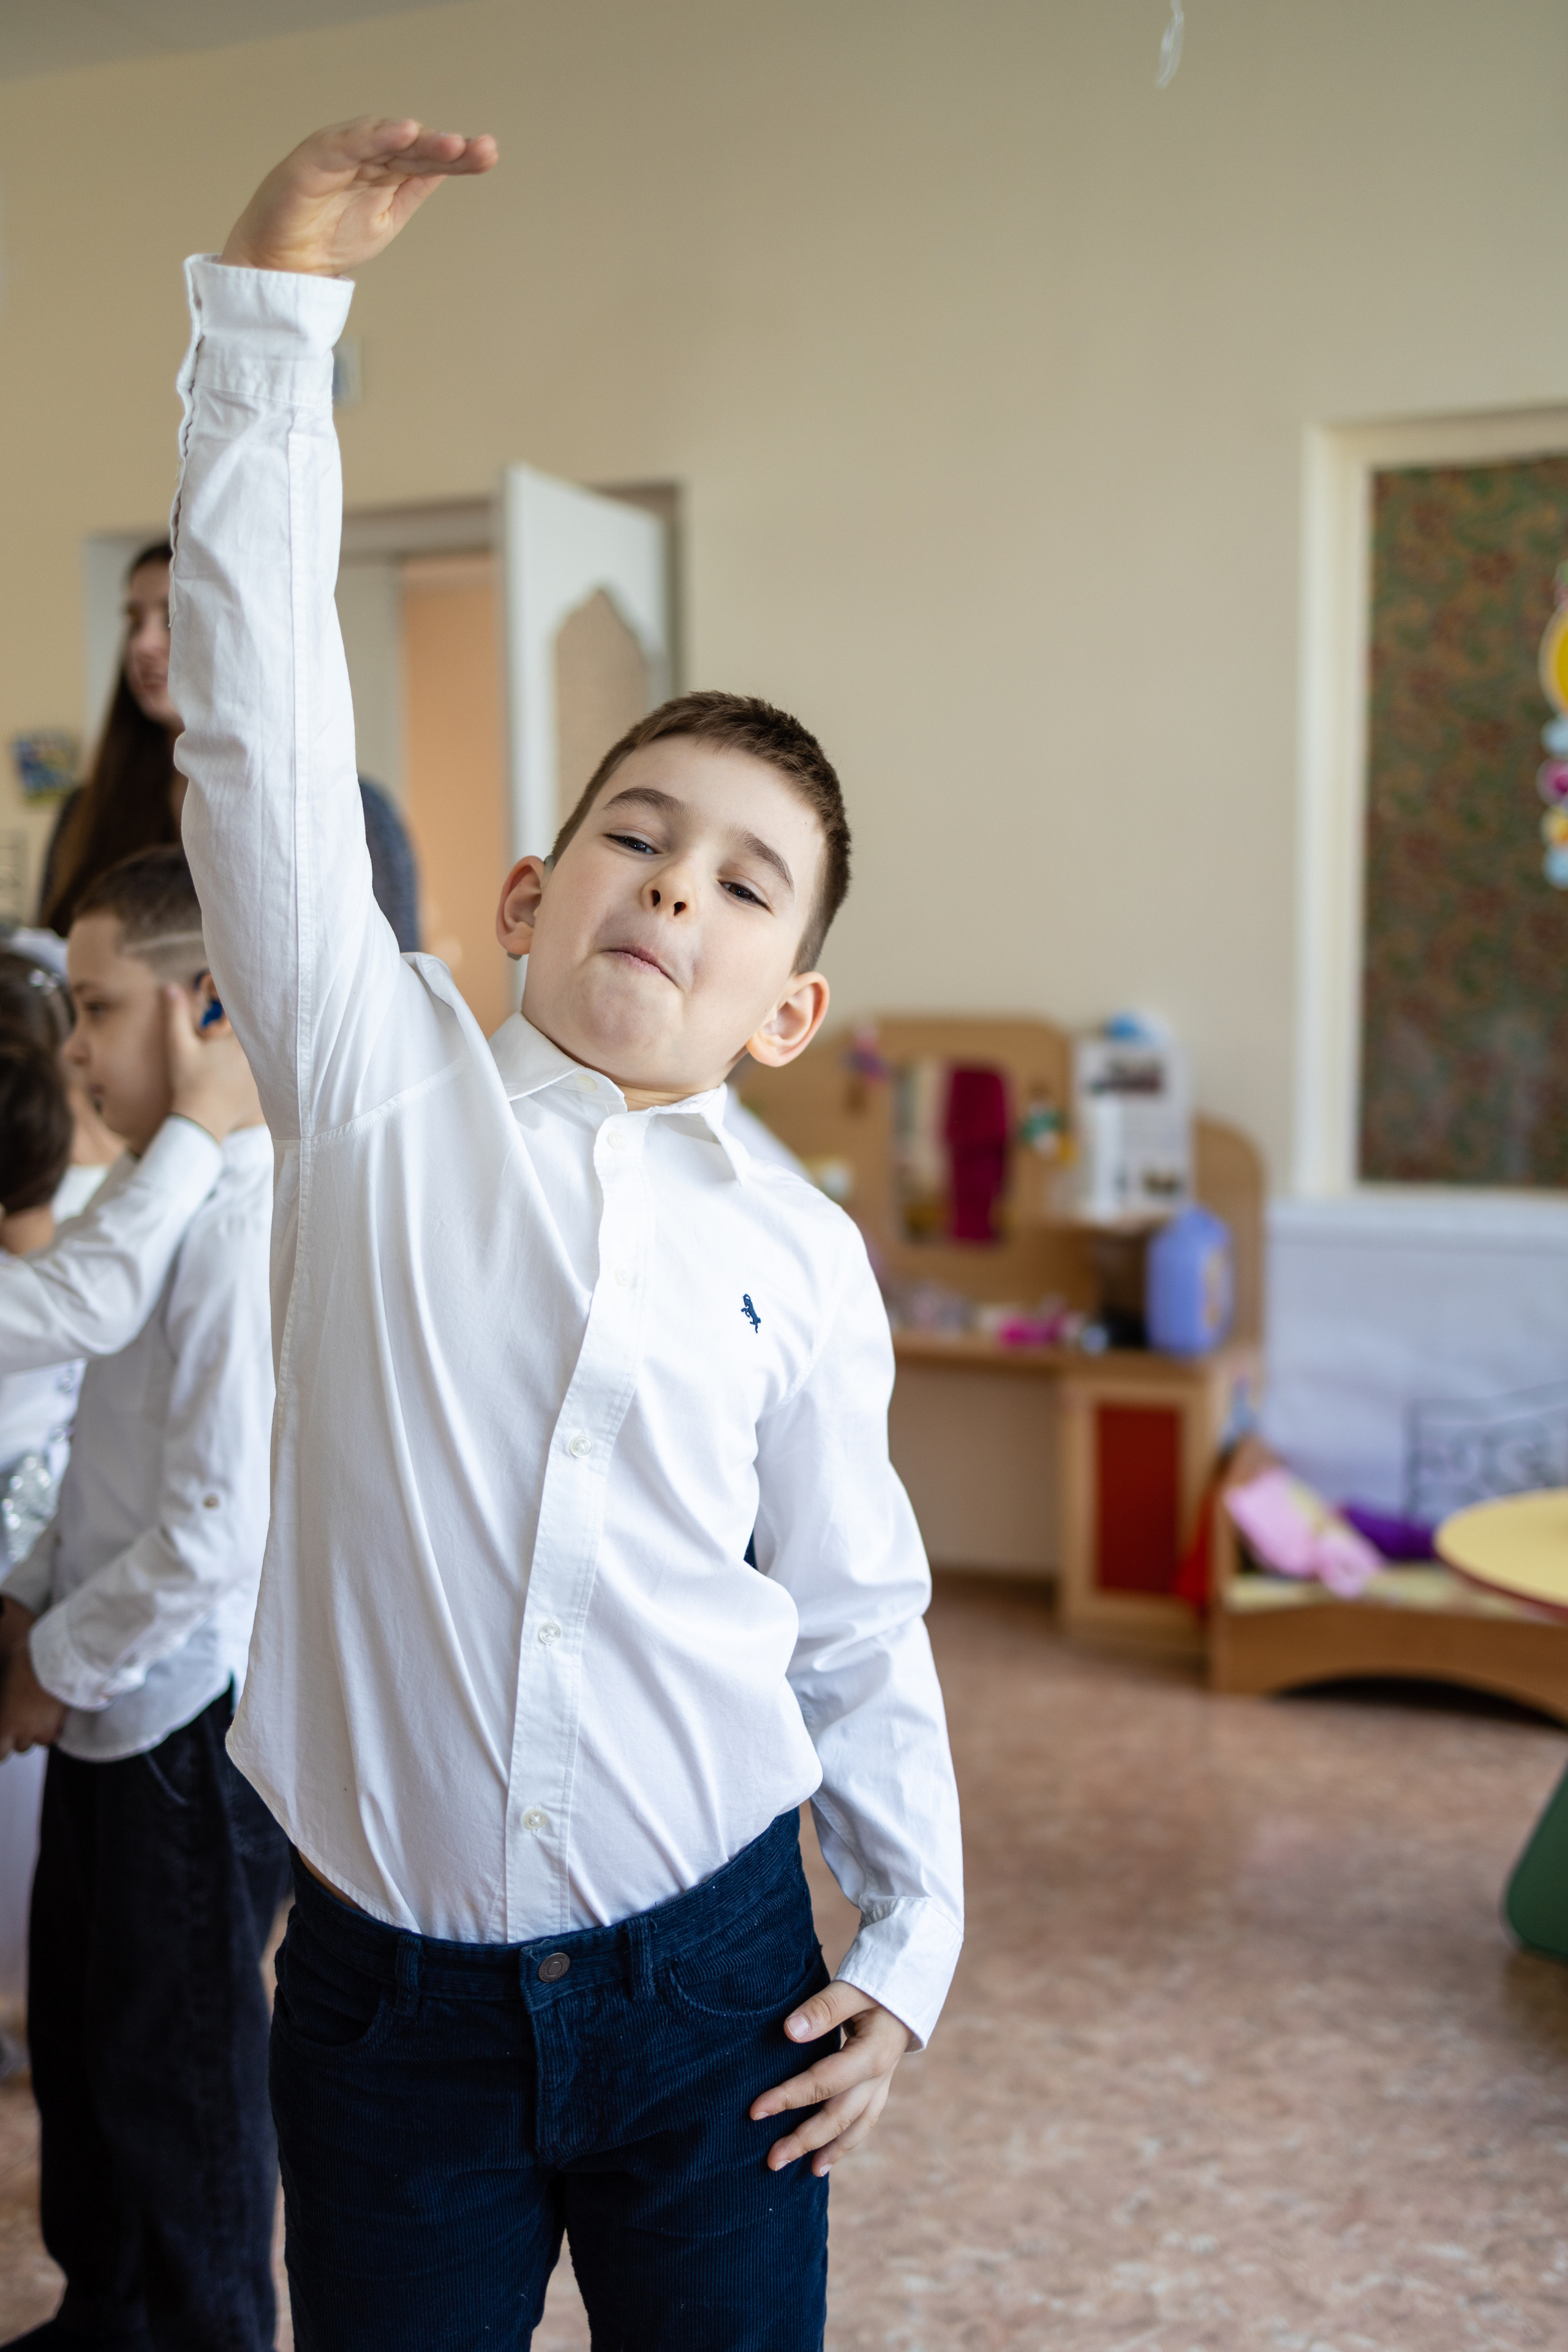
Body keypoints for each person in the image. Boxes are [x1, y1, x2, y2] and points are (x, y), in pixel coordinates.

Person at [172, 118, 964, 2352]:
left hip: (712, 1985)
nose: (675, 889)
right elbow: (253, 719)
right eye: (638, 833)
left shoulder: (794, 1257)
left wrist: (900, 1948)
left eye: (740, 884)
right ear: (529, 897)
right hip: (383, 2008)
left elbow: (848, 1614)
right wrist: (273, 313)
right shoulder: (374, 1080)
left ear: (784, 1005)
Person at [0, 847, 285, 2352]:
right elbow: (93, 1440)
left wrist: (51, 1653)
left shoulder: (233, 1213)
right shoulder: (150, 1200)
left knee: (182, 2089)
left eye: (99, 1008)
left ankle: (207, 2330)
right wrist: (38, 1606)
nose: (76, 1051)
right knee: (92, 2052)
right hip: (107, 1700)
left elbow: (211, 1529)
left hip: (179, 1714)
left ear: (202, 1008)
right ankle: (102, 2314)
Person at [39, 543, 421, 949]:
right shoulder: (85, 813)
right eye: (135, 622)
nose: (142, 645)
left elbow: (393, 970)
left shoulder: (353, 809)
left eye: (172, 619)